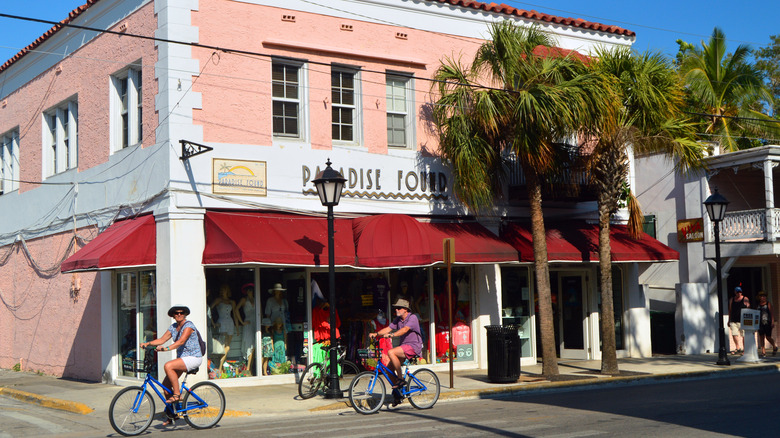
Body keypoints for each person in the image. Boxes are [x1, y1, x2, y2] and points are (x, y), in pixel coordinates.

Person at [140, 305, 203, 426]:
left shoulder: (189, 326)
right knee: (165, 386)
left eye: (181, 313)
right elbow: (162, 339)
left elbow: (181, 342)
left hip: (194, 358)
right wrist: (147, 344)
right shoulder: (173, 327)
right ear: (173, 315)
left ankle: (177, 394)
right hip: (182, 359)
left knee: (168, 365)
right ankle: (171, 414)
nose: (179, 315)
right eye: (176, 313)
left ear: (185, 314)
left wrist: (166, 349)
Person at [369, 298, 423, 389]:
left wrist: (392, 335)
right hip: (404, 346)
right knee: (389, 370)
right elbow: (388, 328)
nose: (396, 310)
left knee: (391, 352)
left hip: (413, 346)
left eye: (399, 308)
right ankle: (398, 393)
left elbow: (404, 330)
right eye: (396, 308)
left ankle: (400, 378)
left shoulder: (412, 317)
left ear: (405, 309)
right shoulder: (398, 319)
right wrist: (376, 334)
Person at [728, 286, 750, 354]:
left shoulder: (745, 298)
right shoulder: (732, 299)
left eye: (740, 292)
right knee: (734, 334)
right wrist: (729, 320)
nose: (739, 293)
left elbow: (748, 309)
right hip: (734, 320)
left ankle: (745, 349)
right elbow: (730, 310)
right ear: (735, 292)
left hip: (742, 320)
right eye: (737, 292)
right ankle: (737, 347)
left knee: (743, 335)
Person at [756, 291, 777, 357]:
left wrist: (772, 322)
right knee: (761, 336)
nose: (763, 297)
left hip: (767, 322)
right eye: (761, 296)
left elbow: (772, 313)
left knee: (768, 337)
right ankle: (763, 351)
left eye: (764, 296)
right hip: (760, 323)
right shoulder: (758, 305)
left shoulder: (768, 304)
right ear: (759, 297)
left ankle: (774, 346)